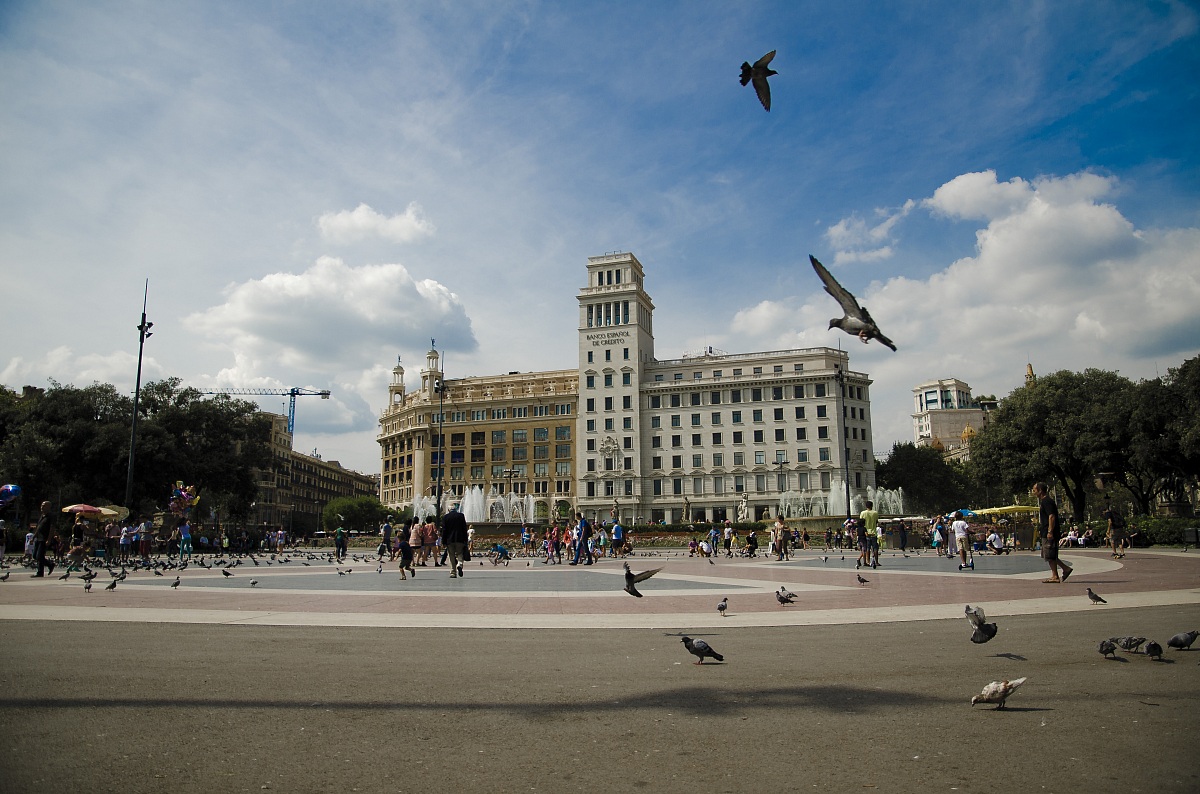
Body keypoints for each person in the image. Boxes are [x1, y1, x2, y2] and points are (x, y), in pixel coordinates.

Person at [1033, 482, 1072, 584]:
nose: (1033, 492)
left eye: (1034, 490)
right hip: (1046, 531)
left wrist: (1050, 531)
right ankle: (1063, 570)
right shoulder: (1045, 501)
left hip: (1049, 532)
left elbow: (1051, 516)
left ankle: (1056, 575)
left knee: (1050, 554)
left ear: (1040, 490)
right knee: (1049, 554)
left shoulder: (1047, 501)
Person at [440, 504, 469, 578]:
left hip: (449, 540)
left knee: (451, 555)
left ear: (449, 510)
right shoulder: (461, 516)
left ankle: (453, 572)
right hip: (460, 538)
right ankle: (459, 564)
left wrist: (443, 541)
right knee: (460, 553)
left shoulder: (446, 517)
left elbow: (444, 530)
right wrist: (466, 539)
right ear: (455, 509)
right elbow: (464, 528)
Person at [32, 500, 55, 577]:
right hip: (38, 538)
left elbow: (52, 528)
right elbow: (38, 528)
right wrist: (34, 537)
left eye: (44, 505)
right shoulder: (42, 516)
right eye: (41, 505)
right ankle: (50, 564)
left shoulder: (50, 516)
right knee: (35, 556)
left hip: (44, 539)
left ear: (48, 507)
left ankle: (40, 572)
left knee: (39, 556)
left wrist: (49, 539)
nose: (42, 507)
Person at [860, 501, 880, 568]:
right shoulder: (875, 513)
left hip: (866, 533)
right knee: (875, 548)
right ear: (872, 505)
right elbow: (876, 521)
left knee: (867, 548)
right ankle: (876, 562)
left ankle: (868, 561)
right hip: (874, 532)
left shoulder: (863, 513)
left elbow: (861, 522)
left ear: (866, 506)